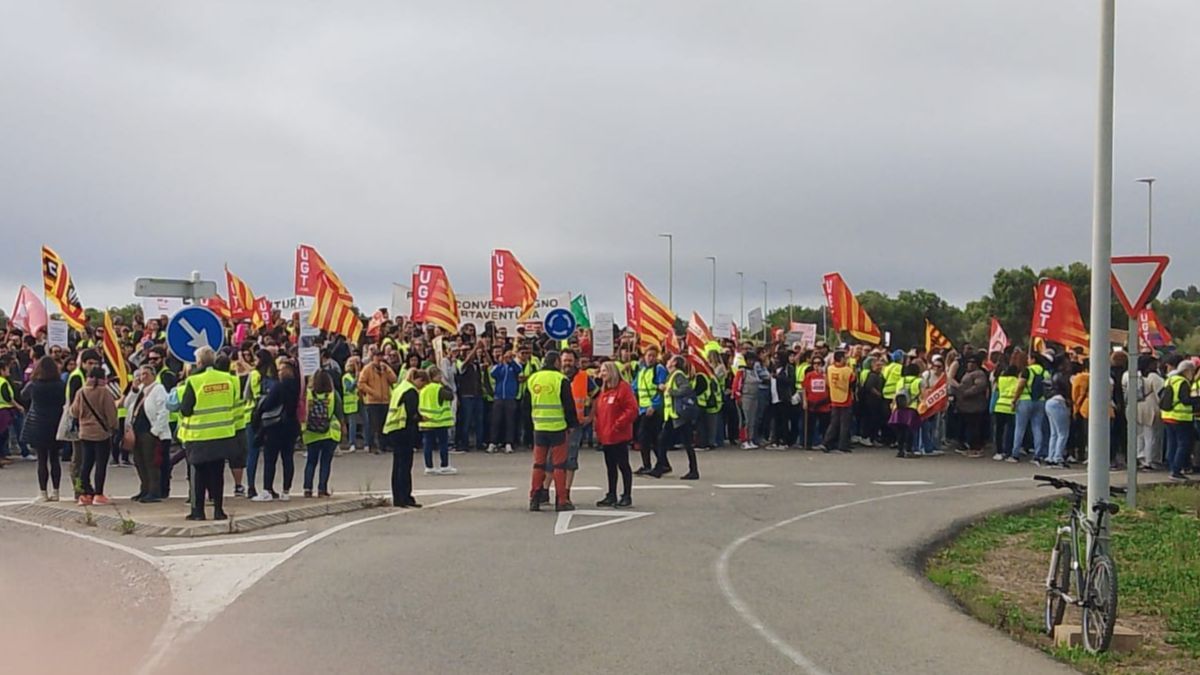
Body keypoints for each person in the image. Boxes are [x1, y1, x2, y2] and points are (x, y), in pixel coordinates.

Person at [178, 347, 240, 520]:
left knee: (199, 475)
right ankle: (219, 511)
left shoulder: (194, 380)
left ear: (198, 362)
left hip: (199, 435)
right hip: (223, 434)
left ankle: (198, 512)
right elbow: (233, 401)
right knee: (217, 474)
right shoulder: (228, 378)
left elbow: (186, 409)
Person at [527, 351, 580, 512]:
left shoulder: (533, 378)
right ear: (557, 362)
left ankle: (534, 499)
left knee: (538, 464)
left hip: (539, 427)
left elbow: (526, 404)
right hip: (557, 428)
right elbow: (568, 405)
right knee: (559, 466)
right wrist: (572, 424)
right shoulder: (560, 379)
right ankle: (561, 501)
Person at [253, 359, 301, 501]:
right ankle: (286, 491)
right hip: (291, 425)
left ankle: (267, 489)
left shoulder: (279, 386)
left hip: (275, 426)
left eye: (280, 370)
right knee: (288, 459)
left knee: (270, 459)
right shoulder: (297, 386)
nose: (278, 372)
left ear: (286, 371)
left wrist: (260, 408)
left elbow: (267, 404)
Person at [70, 365, 118, 505]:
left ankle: (85, 494)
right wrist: (113, 427)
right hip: (101, 433)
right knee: (101, 464)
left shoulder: (81, 392)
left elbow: (74, 411)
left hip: (85, 433)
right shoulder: (105, 392)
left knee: (86, 464)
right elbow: (111, 414)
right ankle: (98, 494)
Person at [20, 356, 65, 501]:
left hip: (38, 423)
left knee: (42, 460)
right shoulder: (60, 385)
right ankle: (56, 492)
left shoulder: (34, 385)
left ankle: (43, 492)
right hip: (56, 423)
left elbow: (23, 396)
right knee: (55, 459)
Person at [123, 365, 170, 502]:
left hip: (150, 432)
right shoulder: (140, 390)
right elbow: (126, 404)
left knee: (151, 462)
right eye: (140, 374)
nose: (142, 377)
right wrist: (134, 389)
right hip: (137, 431)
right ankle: (144, 489)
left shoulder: (158, 389)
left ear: (153, 375)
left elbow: (163, 411)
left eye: (146, 374)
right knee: (139, 461)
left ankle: (154, 491)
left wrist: (155, 431)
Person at [593, 361, 636, 507]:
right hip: (606, 435)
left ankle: (627, 495)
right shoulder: (604, 390)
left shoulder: (623, 388)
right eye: (601, 371)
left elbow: (631, 409)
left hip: (618, 434)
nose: (602, 374)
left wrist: (618, 424)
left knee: (623, 465)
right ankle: (611, 494)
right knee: (610, 466)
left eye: (604, 371)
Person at [385, 368, 428, 508]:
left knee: (397, 464)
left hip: (393, 428)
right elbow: (411, 413)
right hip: (403, 430)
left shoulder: (400, 387)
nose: (422, 388)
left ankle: (398, 497)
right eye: (423, 384)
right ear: (419, 380)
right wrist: (421, 418)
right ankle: (405, 497)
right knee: (405, 465)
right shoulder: (411, 391)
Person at [655, 355, 700, 480]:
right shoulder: (671, 375)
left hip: (679, 415)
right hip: (672, 415)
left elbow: (686, 389)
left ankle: (693, 470)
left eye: (670, 360)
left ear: (674, 363)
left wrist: (669, 391)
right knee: (662, 441)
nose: (667, 362)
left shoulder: (678, 375)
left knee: (686, 443)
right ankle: (661, 466)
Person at [302, 370, 343, 497]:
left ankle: (307, 489)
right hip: (329, 432)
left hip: (311, 433)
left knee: (311, 461)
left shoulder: (308, 394)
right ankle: (322, 489)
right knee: (325, 462)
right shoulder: (333, 395)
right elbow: (339, 414)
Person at [244, 349, 277, 499]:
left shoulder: (254, 374)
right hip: (270, 417)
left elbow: (247, 395)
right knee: (270, 454)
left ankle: (251, 487)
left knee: (253, 453)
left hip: (252, 416)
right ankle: (268, 487)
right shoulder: (274, 375)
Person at [633, 345, 668, 471]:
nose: (651, 358)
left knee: (644, 437)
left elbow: (661, 390)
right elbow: (634, 387)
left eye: (653, 356)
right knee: (652, 438)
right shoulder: (642, 371)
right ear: (644, 356)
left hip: (653, 409)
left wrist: (654, 405)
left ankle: (648, 465)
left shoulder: (659, 369)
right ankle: (663, 463)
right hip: (643, 409)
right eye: (649, 356)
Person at [1162, 359, 1197, 481]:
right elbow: (1185, 400)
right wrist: (1197, 400)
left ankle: (1172, 468)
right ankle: (1176, 471)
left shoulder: (1170, 380)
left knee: (1172, 444)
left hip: (1167, 415)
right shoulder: (1183, 382)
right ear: (1187, 370)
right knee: (1184, 444)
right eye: (1192, 371)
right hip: (1180, 417)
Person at [1012, 352, 1050, 463]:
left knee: (1020, 428)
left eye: (1029, 358)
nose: (1028, 360)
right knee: (1037, 428)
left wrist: (1014, 400)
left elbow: (1020, 385)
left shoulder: (1027, 370)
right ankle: (1037, 455)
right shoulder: (1045, 372)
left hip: (1025, 400)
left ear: (1033, 359)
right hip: (1040, 401)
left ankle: (1015, 454)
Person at [418, 366, 457, 475]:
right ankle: (444, 465)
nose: (441, 377)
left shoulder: (423, 389)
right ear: (434, 376)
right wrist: (445, 384)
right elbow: (450, 396)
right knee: (443, 444)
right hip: (439, 421)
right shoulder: (438, 388)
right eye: (439, 375)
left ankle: (429, 467)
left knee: (428, 445)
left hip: (426, 421)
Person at [357, 350, 396, 454]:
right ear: (373, 357)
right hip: (372, 401)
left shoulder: (385, 368)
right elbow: (361, 383)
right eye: (377, 356)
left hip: (385, 400)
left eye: (381, 356)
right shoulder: (367, 369)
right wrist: (372, 392)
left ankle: (384, 445)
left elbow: (394, 379)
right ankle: (373, 445)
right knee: (374, 425)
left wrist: (387, 370)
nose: (379, 359)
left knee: (384, 424)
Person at [953, 355, 990, 457]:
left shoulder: (979, 374)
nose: (969, 364)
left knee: (974, 427)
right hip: (965, 406)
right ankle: (967, 445)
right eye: (968, 362)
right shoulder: (967, 373)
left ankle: (975, 448)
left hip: (975, 406)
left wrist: (966, 393)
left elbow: (979, 386)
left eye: (972, 363)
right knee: (967, 427)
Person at [487, 349, 521, 453]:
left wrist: (511, 361)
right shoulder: (499, 366)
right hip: (499, 397)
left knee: (510, 421)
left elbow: (519, 370)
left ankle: (508, 443)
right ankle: (493, 442)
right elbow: (493, 374)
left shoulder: (514, 366)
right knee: (496, 421)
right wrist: (501, 363)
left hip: (510, 398)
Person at [1044, 355, 1074, 468]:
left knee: (1054, 433)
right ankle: (1058, 457)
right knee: (1063, 433)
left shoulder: (1052, 375)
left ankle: (1051, 456)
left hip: (1050, 402)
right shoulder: (1063, 376)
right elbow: (1068, 390)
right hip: (1059, 402)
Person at [822, 350, 855, 452]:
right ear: (841, 359)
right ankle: (843, 445)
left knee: (834, 423)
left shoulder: (830, 369)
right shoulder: (848, 370)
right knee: (845, 424)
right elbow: (853, 381)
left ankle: (827, 442)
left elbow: (827, 383)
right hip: (845, 399)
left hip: (834, 398)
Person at [992, 365, 1020, 462]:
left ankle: (999, 451)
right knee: (1010, 430)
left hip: (999, 405)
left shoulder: (1001, 380)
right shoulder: (1017, 381)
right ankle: (1008, 451)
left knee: (999, 430)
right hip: (1010, 407)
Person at [340, 356, 362, 452]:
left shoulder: (361, 374)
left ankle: (367, 443)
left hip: (360, 400)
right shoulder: (346, 377)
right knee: (353, 423)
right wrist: (356, 378)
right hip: (351, 403)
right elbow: (350, 388)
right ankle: (352, 443)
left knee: (366, 420)